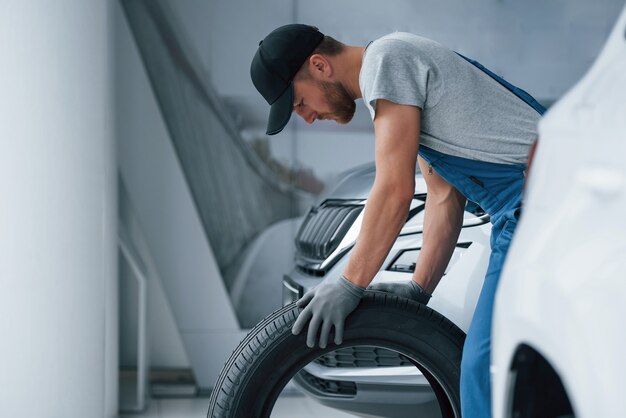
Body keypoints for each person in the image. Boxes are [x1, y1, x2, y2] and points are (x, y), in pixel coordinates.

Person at [250, 24, 542, 418]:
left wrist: (349, 285)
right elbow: (442, 197)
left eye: (299, 103)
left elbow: (393, 190)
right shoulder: (396, 74)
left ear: (319, 66)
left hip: (541, 201)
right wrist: (419, 291)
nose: (307, 118)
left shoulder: (387, 61)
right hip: (525, 210)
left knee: (482, 367)